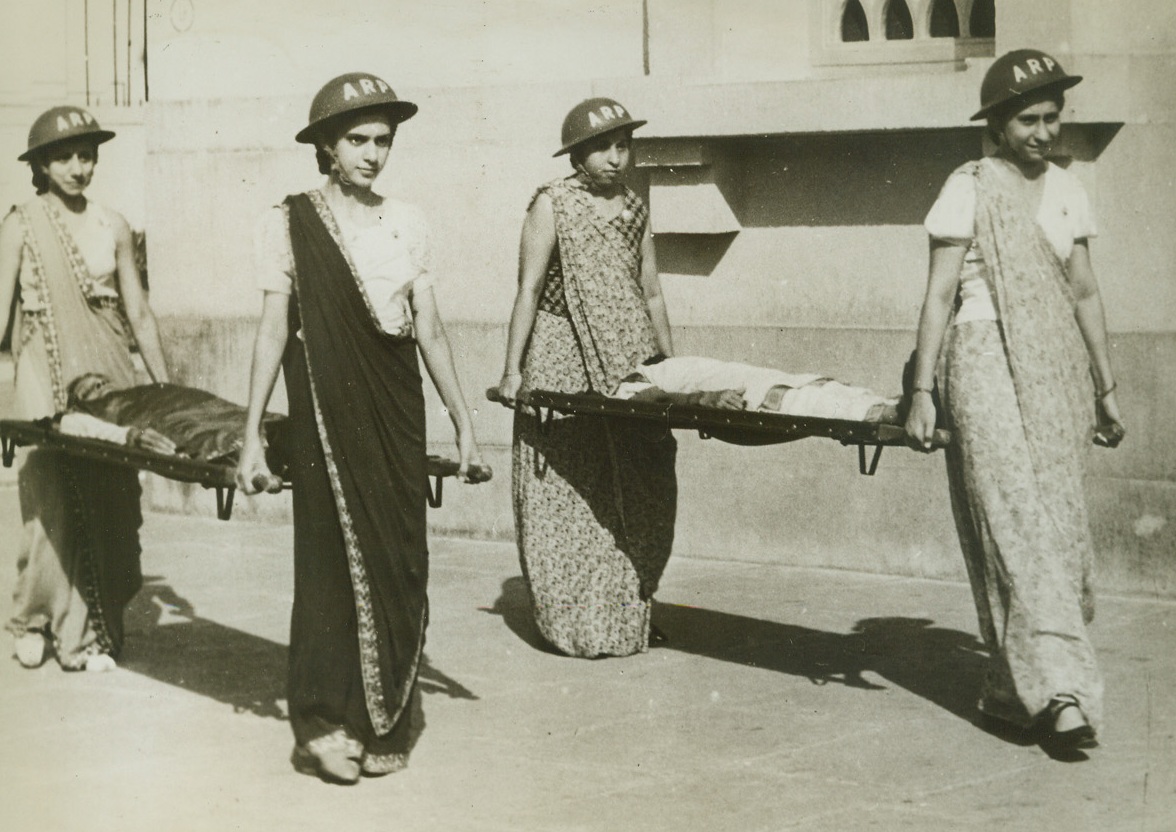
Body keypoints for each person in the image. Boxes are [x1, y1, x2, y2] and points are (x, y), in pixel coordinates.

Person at [234, 72, 484, 784]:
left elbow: (429, 328)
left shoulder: (408, 221)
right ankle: (322, 723)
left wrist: (465, 425)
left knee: (400, 560)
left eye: (384, 140)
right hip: (324, 413)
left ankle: (383, 719)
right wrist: (250, 436)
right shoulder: (289, 223)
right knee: (327, 567)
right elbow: (272, 330)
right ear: (326, 147)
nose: (373, 154)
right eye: (357, 140)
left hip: (396, 409)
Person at [904, 50, 1125, 753]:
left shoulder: (1068, 189)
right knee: (1011, 521)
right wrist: (922, 391)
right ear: (997, 125)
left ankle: (1009, 692)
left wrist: (1105, 386)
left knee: (1055, 524)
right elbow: (940, 294)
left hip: (1056, 369)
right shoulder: (967, 187)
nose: (1043, 132)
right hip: (982, 359)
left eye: (1052, 117)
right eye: (1028, 120)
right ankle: (1061, 692)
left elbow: (1084, 292)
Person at [496, 98, 676, 658]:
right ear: (577, 154)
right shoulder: (552, 203)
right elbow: (528, 288)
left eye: (623, 146)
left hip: (628, 359)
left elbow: (651, 292)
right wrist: (512, 369)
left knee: (639, 482)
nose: (615, 158)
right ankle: (571, 620)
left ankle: (628, 611)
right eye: (602, 148)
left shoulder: (635, 209)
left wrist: (672, 368)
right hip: (561, 355)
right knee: (566, 486)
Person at [0, 106, 170, 672]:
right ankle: (33, 619)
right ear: (41, 165)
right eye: (64, 157)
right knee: (50, 495)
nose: (78, 167)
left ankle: (94, 631)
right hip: (44, 369)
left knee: (111, 495)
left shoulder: (112, 224)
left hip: (108, 370)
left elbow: (138, 312)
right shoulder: (21, 223)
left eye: (87, 155)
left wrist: (165, 389)